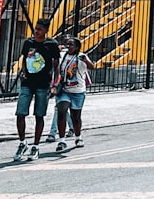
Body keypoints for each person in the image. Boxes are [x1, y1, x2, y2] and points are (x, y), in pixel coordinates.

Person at [14, 18, 60, 161]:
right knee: (20, 113)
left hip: (43, 84)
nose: (36, 31)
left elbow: (56, 65)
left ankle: (36, 146)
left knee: (39, 115)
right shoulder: (28, 43)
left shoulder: (51, 45)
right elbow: (24, 60)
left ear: (46, 30)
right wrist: (21, 72)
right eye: (35, 29)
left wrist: (54, 84)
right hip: (27, 83)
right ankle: (22, 142)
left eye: (39, 29)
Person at [54, 37, 95, 150]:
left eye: (71, 45)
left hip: (77, 91)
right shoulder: (63, 55)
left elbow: (92, 67)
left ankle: (78, 137)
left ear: (77, 47)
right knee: (62, 111)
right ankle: (61, 141)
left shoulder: (81, 56)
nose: (68, 47)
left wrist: (85, 60)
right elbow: (56, 66)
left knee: (75, 117)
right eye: (67, 44)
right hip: (64, 90)